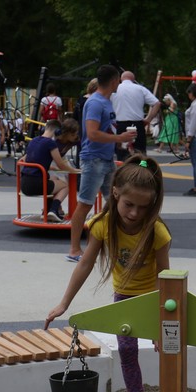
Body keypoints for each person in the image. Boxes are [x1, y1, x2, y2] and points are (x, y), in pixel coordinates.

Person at [45, 154, 172, 392]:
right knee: (127, 352)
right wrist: (64, 303)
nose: (135, 213)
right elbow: (85, 263)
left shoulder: (157, 232)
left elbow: (166, 278)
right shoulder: (103, 225)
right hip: (124, 299)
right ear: (115, 193)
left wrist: (163, 316)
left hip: (155, 299)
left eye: (143, 207)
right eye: (129, 204)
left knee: (169, 352)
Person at [66, 65, 135, 261]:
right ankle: (74, 249)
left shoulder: (105, 102)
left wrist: (121, 139)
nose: (119, 84)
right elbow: (93, 133)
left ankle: (110, 241)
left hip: (105, 158)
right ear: (114, 81)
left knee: (114, 201)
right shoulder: (96, 103)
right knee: (85, 204)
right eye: (118, 81)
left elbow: (104, 130)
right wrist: (119, 138)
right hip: (94, 159)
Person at [19, 118, 80, 221]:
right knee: (65, 186)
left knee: (54, 178)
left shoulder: (33, 141)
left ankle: (47, 210)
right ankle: (54, 210)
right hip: (37, 185)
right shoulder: (51, 144)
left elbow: (22, 160)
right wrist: (75, 171)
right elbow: (61, 164)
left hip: (24, 184)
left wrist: (51, 167)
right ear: (57, 131)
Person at [111, 70, 160, 159]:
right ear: (133, 80)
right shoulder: (140, 88)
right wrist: (148, 119)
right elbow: (156, 103)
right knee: (141, 152)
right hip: (137, 124)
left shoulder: (115, 89)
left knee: (122, 151)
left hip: (120, 125)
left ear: (121, 79)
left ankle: (123, 170)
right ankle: (143, 169)